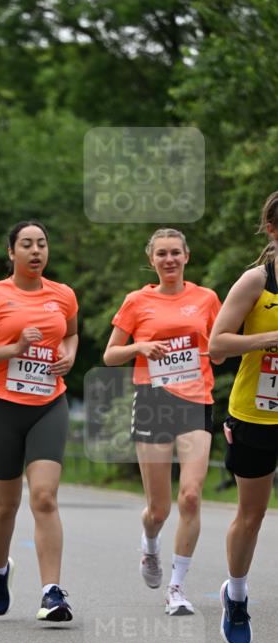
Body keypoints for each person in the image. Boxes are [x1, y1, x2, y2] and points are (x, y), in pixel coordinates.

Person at [0, 220, 78, 621]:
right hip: (0, 407)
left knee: (44, 496)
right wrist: (15, 347)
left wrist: (69, 354)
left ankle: (52, 593)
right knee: (5, 504)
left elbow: (72, 334)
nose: (35, 251)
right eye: (26, 244)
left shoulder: (63, 295)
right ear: (11, 252)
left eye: (42, 244)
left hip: (48, 403)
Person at [104, 228, 222, 615]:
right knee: (159, 509)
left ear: (187, 256)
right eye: (162, 254)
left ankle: (176, 587)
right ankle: (150, 545)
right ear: (151, 260)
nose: (169, 259)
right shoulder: (137, 301)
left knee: (190, 495)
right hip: (153, 401)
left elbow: (219, 348)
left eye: (175, 253)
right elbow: (111, 356)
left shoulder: (206, 299)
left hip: (195, 403)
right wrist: (139, 346)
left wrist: (214, 353)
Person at [209, 191, 278, 643]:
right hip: (256, 413)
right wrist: (271, 337)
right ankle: (236, 595)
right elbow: (217, 345)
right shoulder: (256, 281)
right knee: (251, 514)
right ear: (273, 229)